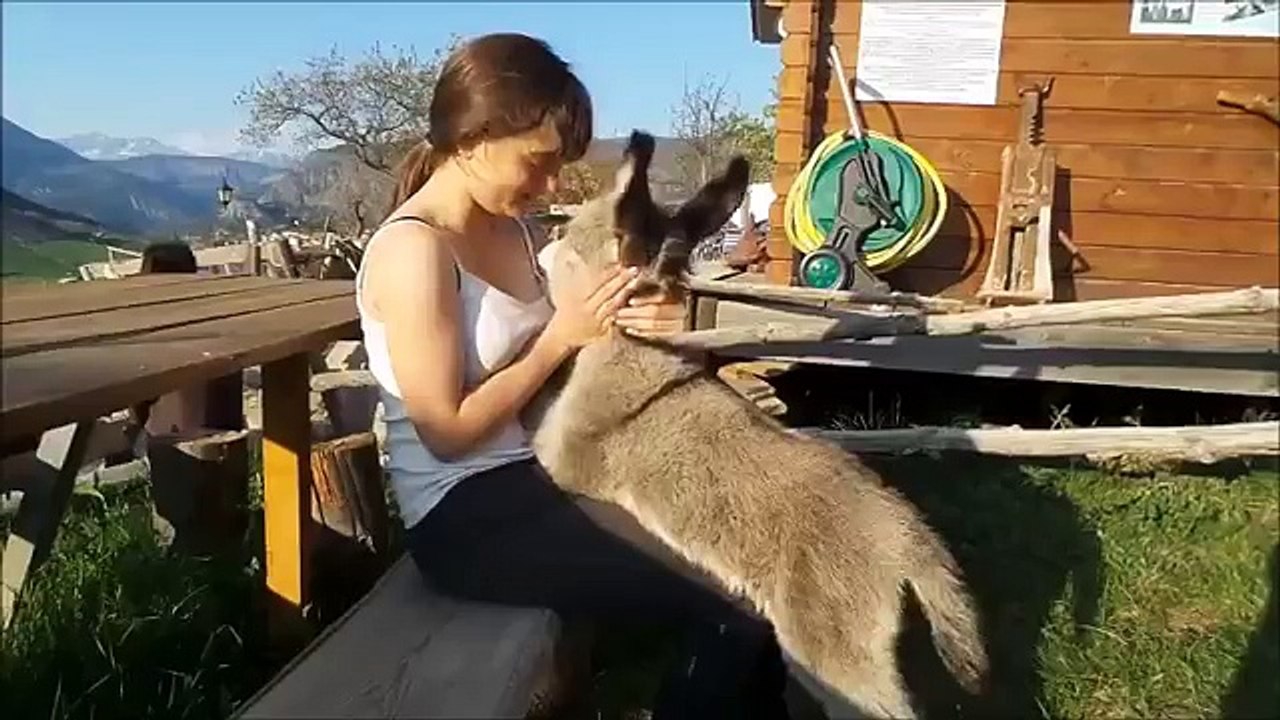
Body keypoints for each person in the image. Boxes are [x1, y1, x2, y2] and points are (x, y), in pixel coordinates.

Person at [355, 32, 791, 719]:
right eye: (539, 162)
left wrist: (628, 318)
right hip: (464, 517)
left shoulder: (512, 232)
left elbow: (566, 332)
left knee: (759, 557)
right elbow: (446, 431)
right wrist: (561, 338)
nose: (551, 185)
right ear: (473, 137)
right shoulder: (414, 250)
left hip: (542, 475)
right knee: (739, 595)